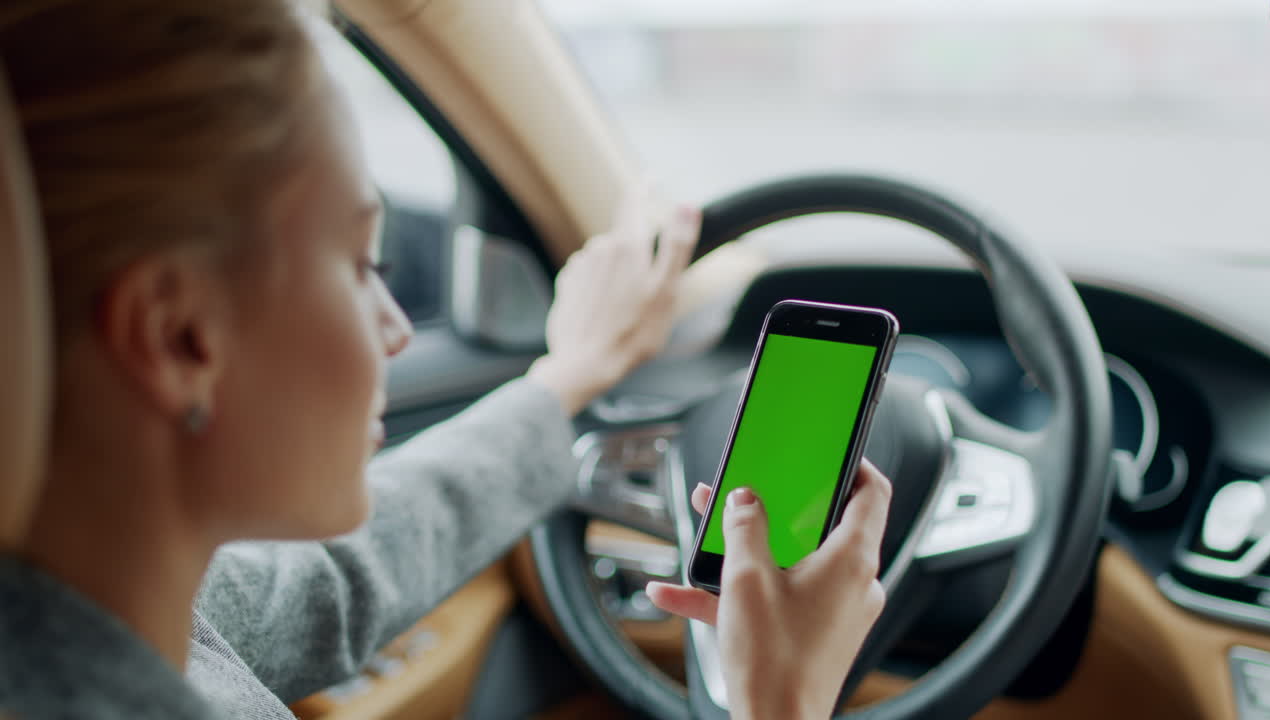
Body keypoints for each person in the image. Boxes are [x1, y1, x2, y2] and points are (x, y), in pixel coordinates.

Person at [0, 1, 891, 719]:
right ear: (177, 336)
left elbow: (337, 581)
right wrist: (781, 698)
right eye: (364, 265)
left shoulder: (90, 607)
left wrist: (570, 375)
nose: (395, 327)